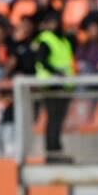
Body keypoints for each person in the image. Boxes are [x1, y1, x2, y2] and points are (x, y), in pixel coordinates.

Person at [34, 11, 74, 162]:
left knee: (58, 119)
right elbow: (42, 61)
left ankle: (57, 150)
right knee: (53, 119)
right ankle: (52, 153)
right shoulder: (46, 39)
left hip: (64, 85)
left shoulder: (64, 41)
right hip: (50, 85)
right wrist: (56, 72)